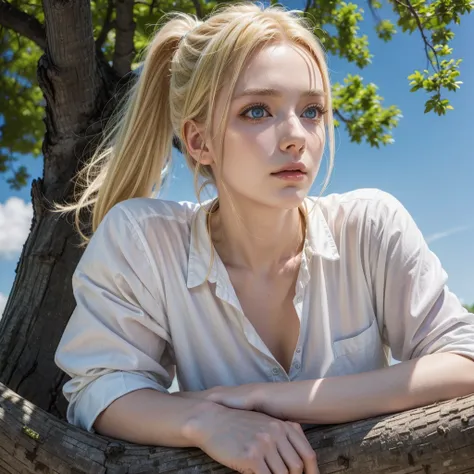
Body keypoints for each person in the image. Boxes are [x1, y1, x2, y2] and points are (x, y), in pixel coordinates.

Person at [54, 2, 474, 473]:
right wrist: (204, 421)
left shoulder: (370, 226)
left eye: (312, 110)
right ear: (199, 142)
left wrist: (263, 399)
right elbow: (100, 389)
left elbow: (463, 362)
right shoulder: (142, 239)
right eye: (257, 110)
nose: (297, 136)